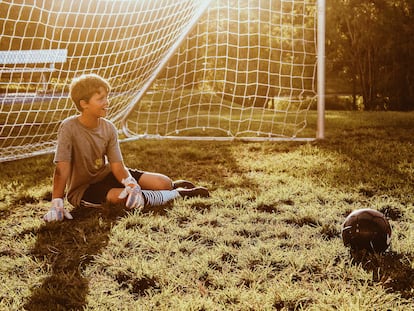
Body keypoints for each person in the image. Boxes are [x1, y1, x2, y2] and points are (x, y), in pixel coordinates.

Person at [44, 73, 209, 222]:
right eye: (100, 99)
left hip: (107, 175)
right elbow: (61, 169)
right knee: (122, 199)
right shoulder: (68, 128)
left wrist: (131, 184)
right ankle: (177, 194)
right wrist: (57, 201)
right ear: (84, 104)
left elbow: (117, 166)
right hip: (84, 189)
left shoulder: (109, 128)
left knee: (163, 182)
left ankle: (167, 189)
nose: (107, 102)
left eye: (107, 97)